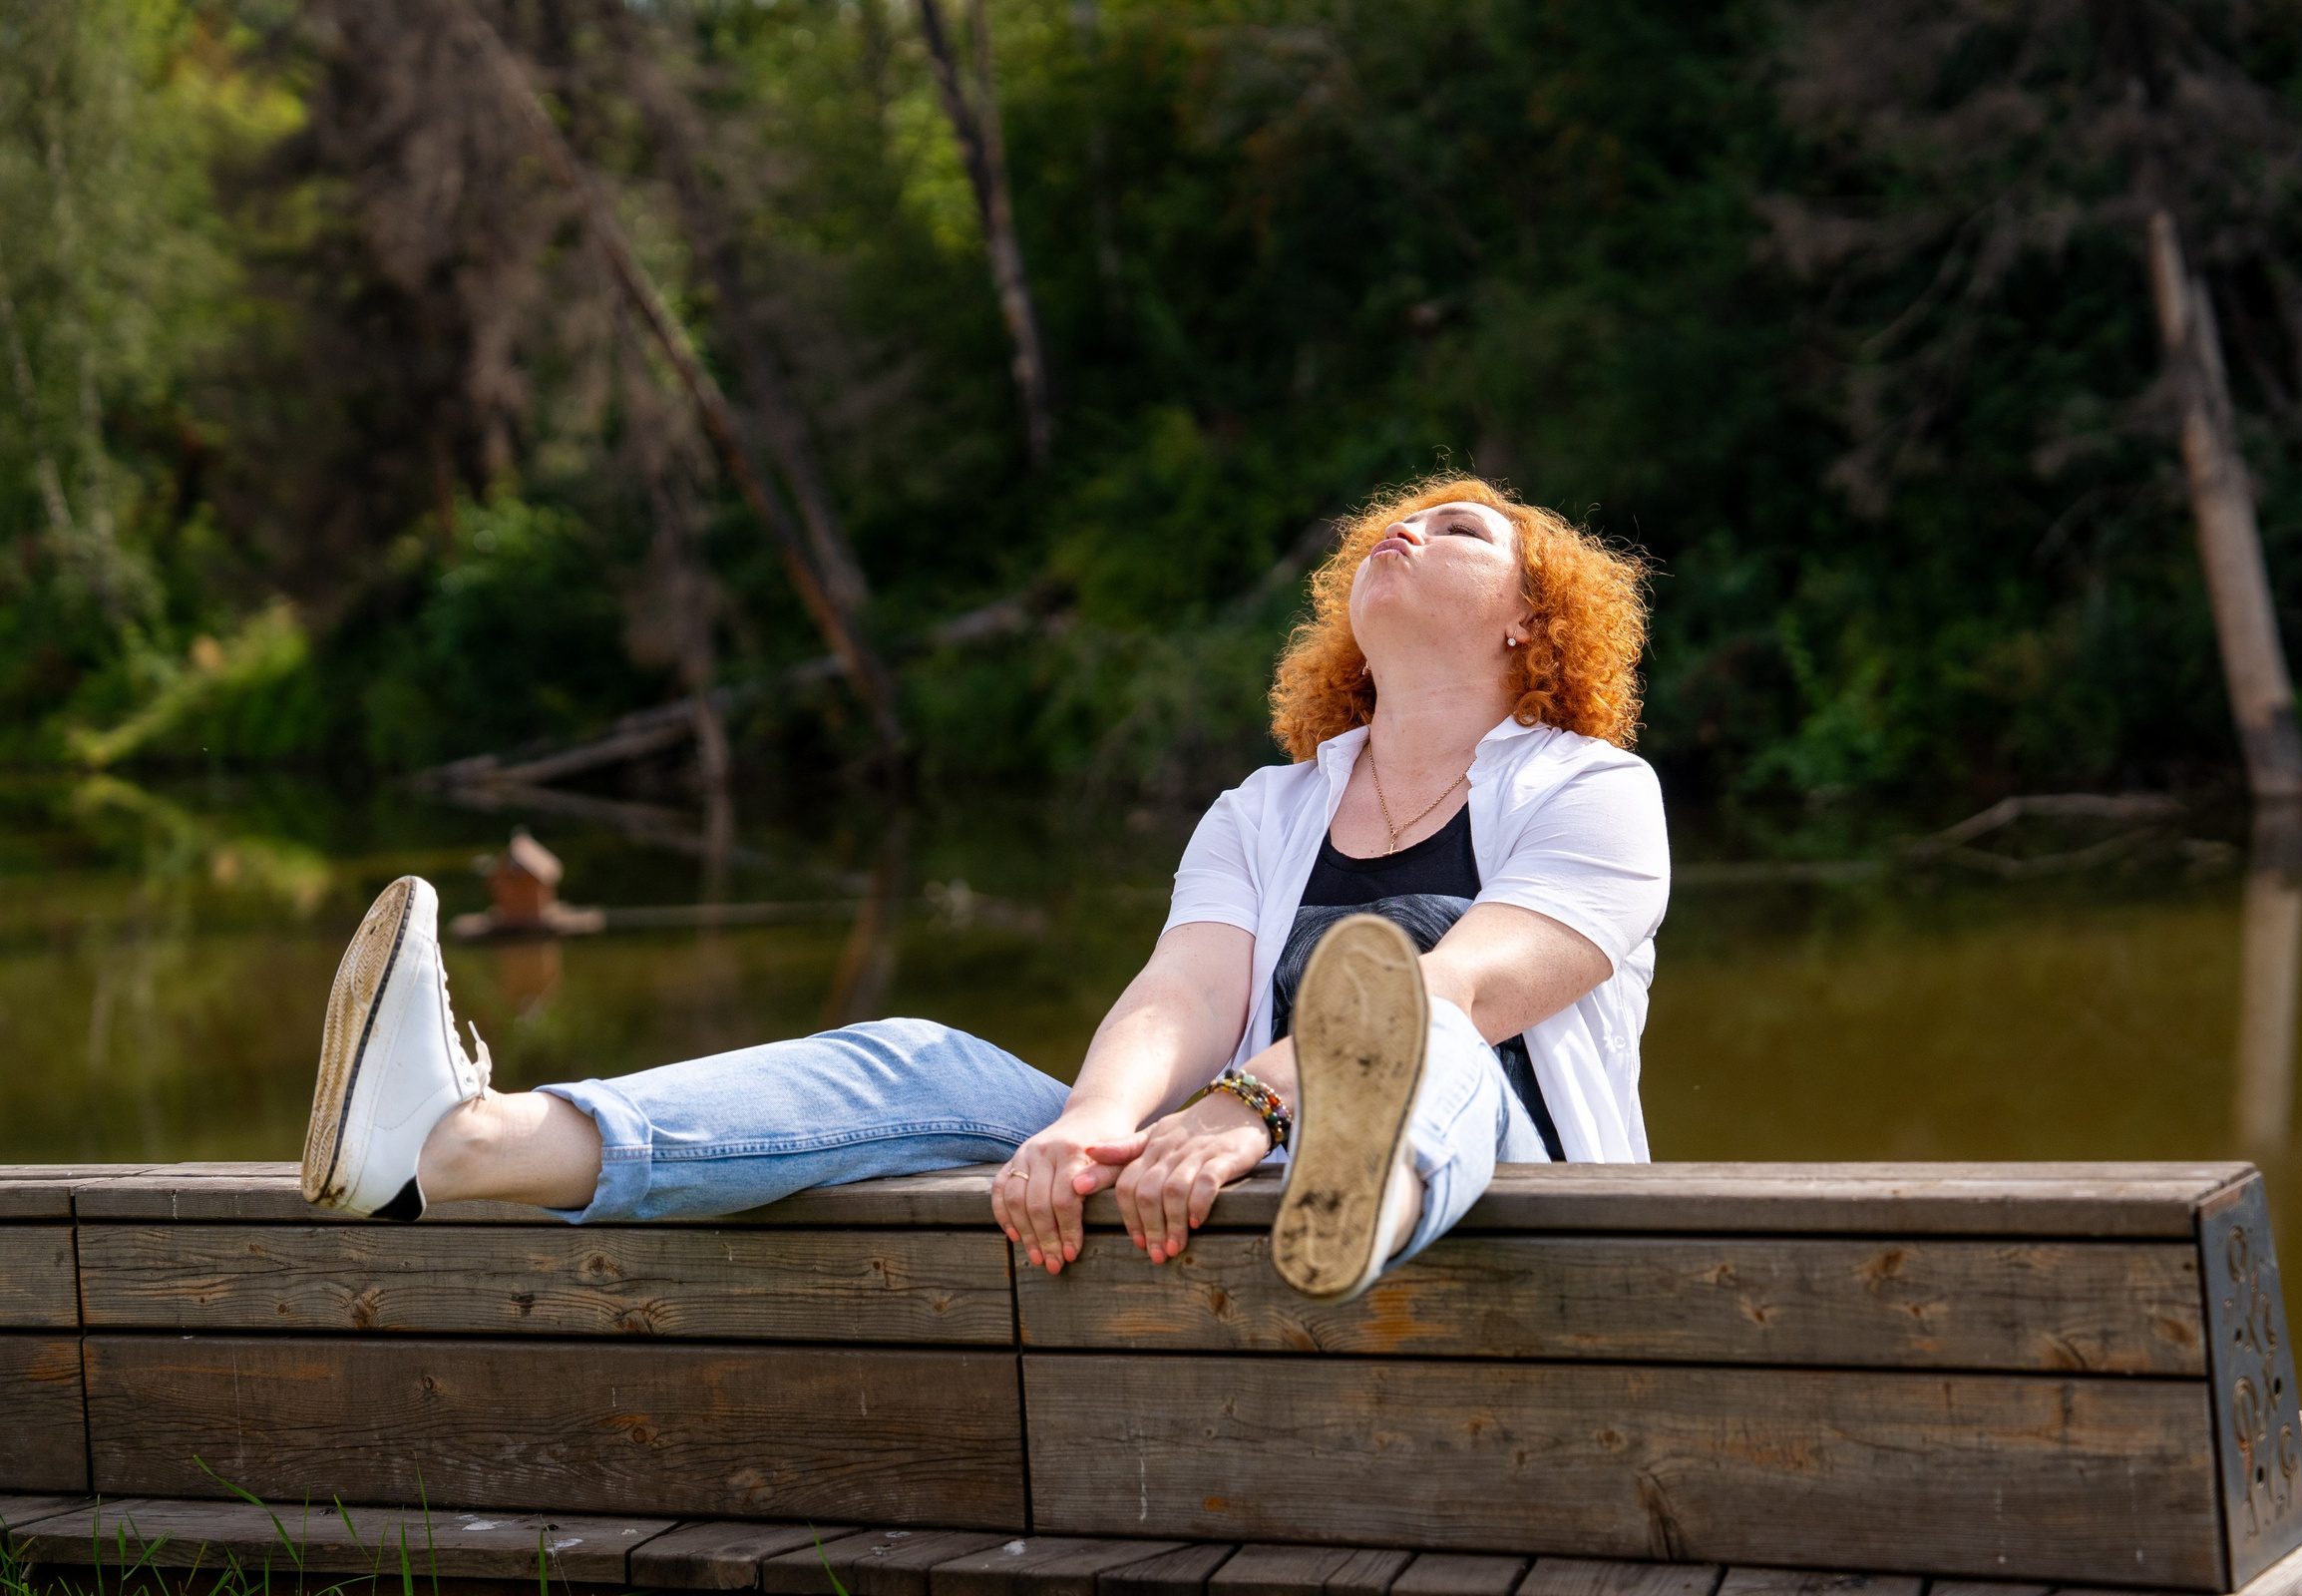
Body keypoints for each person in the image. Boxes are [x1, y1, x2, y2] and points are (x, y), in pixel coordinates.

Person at [299, 476, 1671, 1303]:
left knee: (1429, 1037)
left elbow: (1476, 982)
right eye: (1393, 522)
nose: (1404, 532)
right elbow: (1181, 987)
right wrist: (1094, 1125)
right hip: (1220, 1171)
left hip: (1505, 1201)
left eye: (1458, 529)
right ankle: (459, 1145)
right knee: (917, 1058)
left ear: (1528, 620)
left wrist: (1251, 1101)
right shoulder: (1271, 808)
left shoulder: (1588, 789)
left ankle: (1357, 1212)